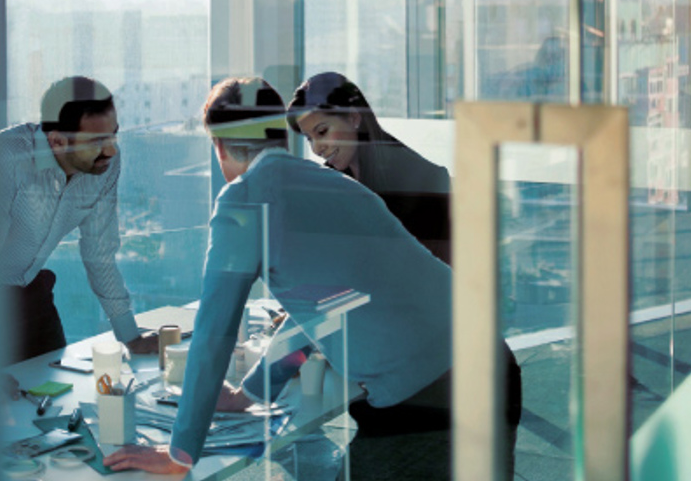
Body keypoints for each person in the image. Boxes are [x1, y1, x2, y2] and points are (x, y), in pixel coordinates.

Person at [104, 78, 520, 479]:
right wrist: (250, 393)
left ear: (218, 145)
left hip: (429, 405)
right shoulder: (337, 183)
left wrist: (181, 451)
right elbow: (326, 302)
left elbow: (216, 330)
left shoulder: (244, 199)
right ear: (280, 138)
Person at [0, 76, 158, 362]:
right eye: (97, 141)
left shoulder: (106, 164)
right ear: (57, 140)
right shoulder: (6, 158)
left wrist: (130, 336)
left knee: (54, 388)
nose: (110, 150)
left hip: (31, 294)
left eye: (114, 135)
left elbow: (100, 253)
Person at [287, 72, 454, 264]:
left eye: (322, 132)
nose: (316, 148)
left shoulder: (418, 179)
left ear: (353, 118)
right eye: (309, 138)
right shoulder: (333, 179)